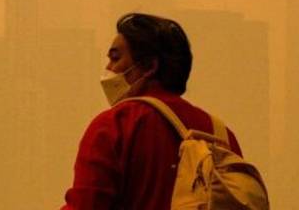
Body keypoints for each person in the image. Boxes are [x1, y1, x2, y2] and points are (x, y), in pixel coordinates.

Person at [61, 13, 243, 209]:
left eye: (115, 58)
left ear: (149, 66)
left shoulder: (114, 125)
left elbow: (86, 204)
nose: (109, 67)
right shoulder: (221, 136)